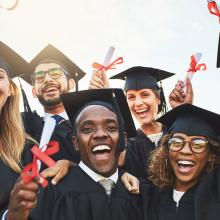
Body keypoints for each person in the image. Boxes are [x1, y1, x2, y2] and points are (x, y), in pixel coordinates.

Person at [7, 88, 144, 220]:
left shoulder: (143, 193)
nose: (100, 134)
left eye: (111, 128)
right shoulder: (49, 192)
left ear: (124, 139)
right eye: (87, 129)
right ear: (75, 143)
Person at [139, 104, 220, 220]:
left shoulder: (215, 199)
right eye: (177, 142)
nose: (185, 151)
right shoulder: (148, 195)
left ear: (211, 155)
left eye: (198, 144)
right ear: (167, 150)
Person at [21, 44, 87, 169]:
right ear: (34, 92)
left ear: (71, 84)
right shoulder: (24, 126)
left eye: (55, 73)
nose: (47, 79)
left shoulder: (86, 125)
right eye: (39, 77)